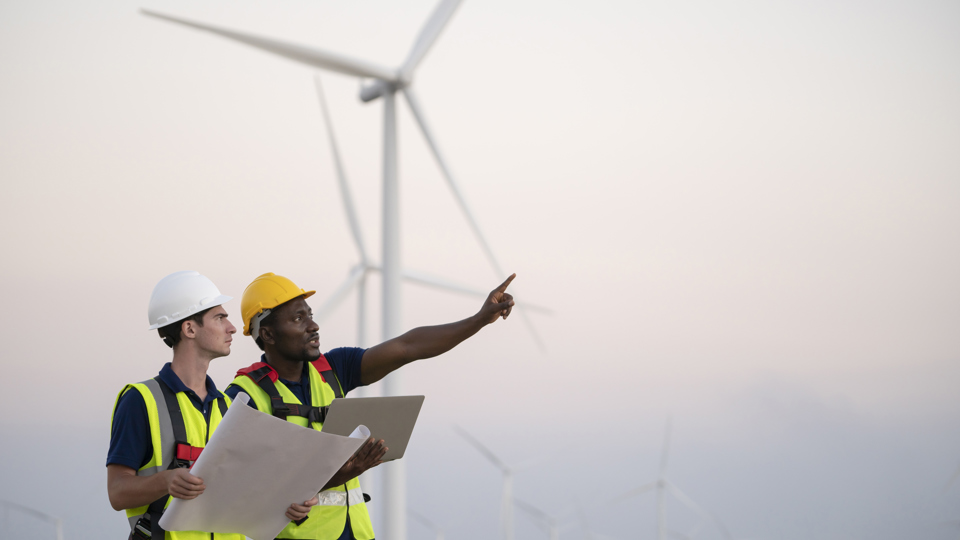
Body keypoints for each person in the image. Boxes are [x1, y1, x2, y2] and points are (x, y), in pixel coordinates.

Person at [224, 271, 516, 540]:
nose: (313, 326)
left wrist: (478, 320)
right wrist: (335, 476)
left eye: (310, 315)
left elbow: (408, 346)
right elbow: (241, 487)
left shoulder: (334, 369)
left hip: (360, 533)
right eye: (298, 319)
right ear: (268, 334)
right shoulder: (244, 395)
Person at [106, 271, 308, 539]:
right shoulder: (141, 400)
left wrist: (288, 503)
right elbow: (117, 492)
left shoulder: (231, 407)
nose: (232, 327)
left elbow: (247, 490)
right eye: (220, 318)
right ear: (189, 329)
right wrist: (166, 481)